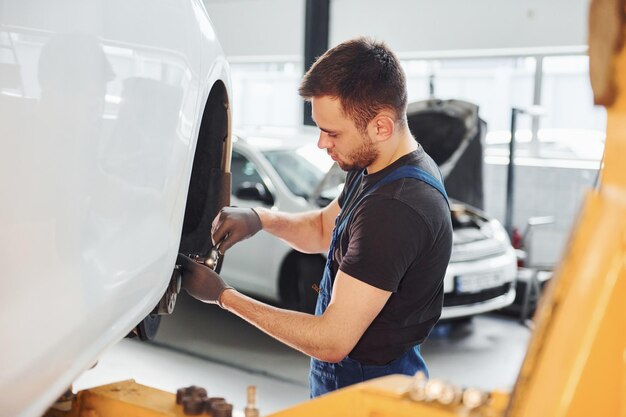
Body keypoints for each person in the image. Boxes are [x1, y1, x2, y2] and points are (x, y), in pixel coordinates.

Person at [178, 37, 453, 397]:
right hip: (346, 380)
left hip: (368, 395)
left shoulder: (395, 210)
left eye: (332, 132)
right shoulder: (375, 163)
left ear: (381, 127)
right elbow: (325, 229)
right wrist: (261, 219)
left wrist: (224, 297)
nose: (322, 144)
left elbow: (331, 340)